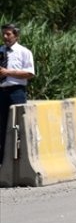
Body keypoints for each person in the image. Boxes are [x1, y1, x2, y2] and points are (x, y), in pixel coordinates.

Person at [0, 23, 36, 162]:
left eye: (8, 34)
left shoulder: (24, 52)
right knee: (2, 125)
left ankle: (21, 157)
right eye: (3, 34)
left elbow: (29, 73)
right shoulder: (0, 51)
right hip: (2, 91)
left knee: (19, 124)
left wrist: (8, 72)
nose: (5, 37)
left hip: (16, 91)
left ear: (16, 35)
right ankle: (3, 159)